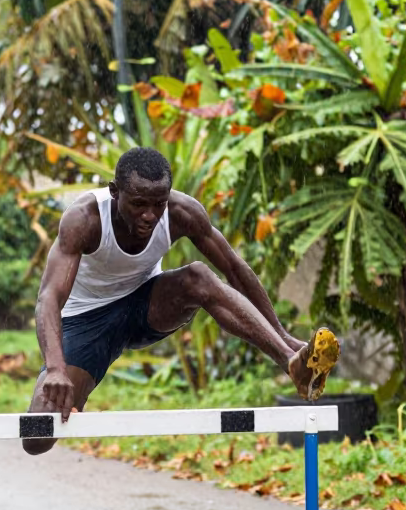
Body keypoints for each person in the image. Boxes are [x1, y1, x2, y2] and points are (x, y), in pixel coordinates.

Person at [23, 147, 339, 455]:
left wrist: (283, 338)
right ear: (115, 192)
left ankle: (291, 362)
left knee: (198, 277)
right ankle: (79, 386)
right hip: (86, 321)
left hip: (144, 307)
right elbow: (49, 297)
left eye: (158, 203)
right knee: (37, 437)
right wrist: (55, 368)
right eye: (138, 204)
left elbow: (234, 268)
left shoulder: (181, 213)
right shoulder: (84, 219)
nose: (149, 215)